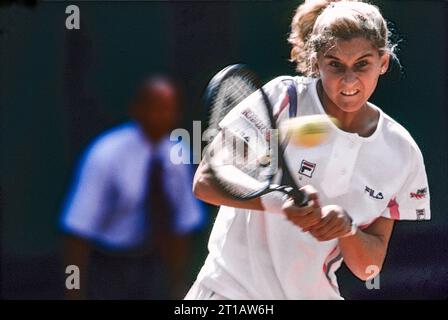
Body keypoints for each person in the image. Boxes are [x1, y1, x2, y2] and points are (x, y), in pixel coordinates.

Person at [186, 0, 430, 300]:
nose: (349, 81)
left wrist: (347, 228)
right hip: (228, 292)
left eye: (362, 64)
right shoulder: (283, 98)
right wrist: (279, 202)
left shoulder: (402, 152)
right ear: (317, 61)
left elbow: (369, 269)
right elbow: (206, 181)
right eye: (335, 64)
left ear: (382, 62)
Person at [60, 76, 205, 299]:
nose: (164, 116)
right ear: (137, 109)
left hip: (152, 263)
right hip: (107, 263)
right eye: (156, 108)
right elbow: (77, 234)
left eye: (169, 109)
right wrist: (73, 291)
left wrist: (177, 284)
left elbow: (182, 227)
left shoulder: (179, 154)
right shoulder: (105, 154)